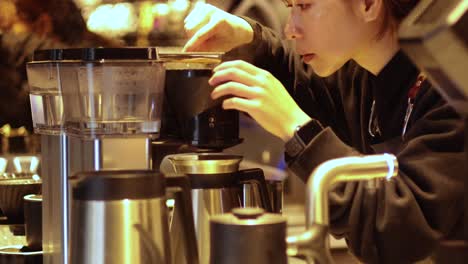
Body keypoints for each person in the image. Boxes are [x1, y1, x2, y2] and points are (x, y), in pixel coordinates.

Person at [183, 1, 466, 263]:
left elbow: (399, 233)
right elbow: (303, 81)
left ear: (368, 4)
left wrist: (297, 129)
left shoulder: (453, 88)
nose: (290, 29)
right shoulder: (362, 74)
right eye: (290, 7)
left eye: (304, 6)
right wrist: (247, 38)